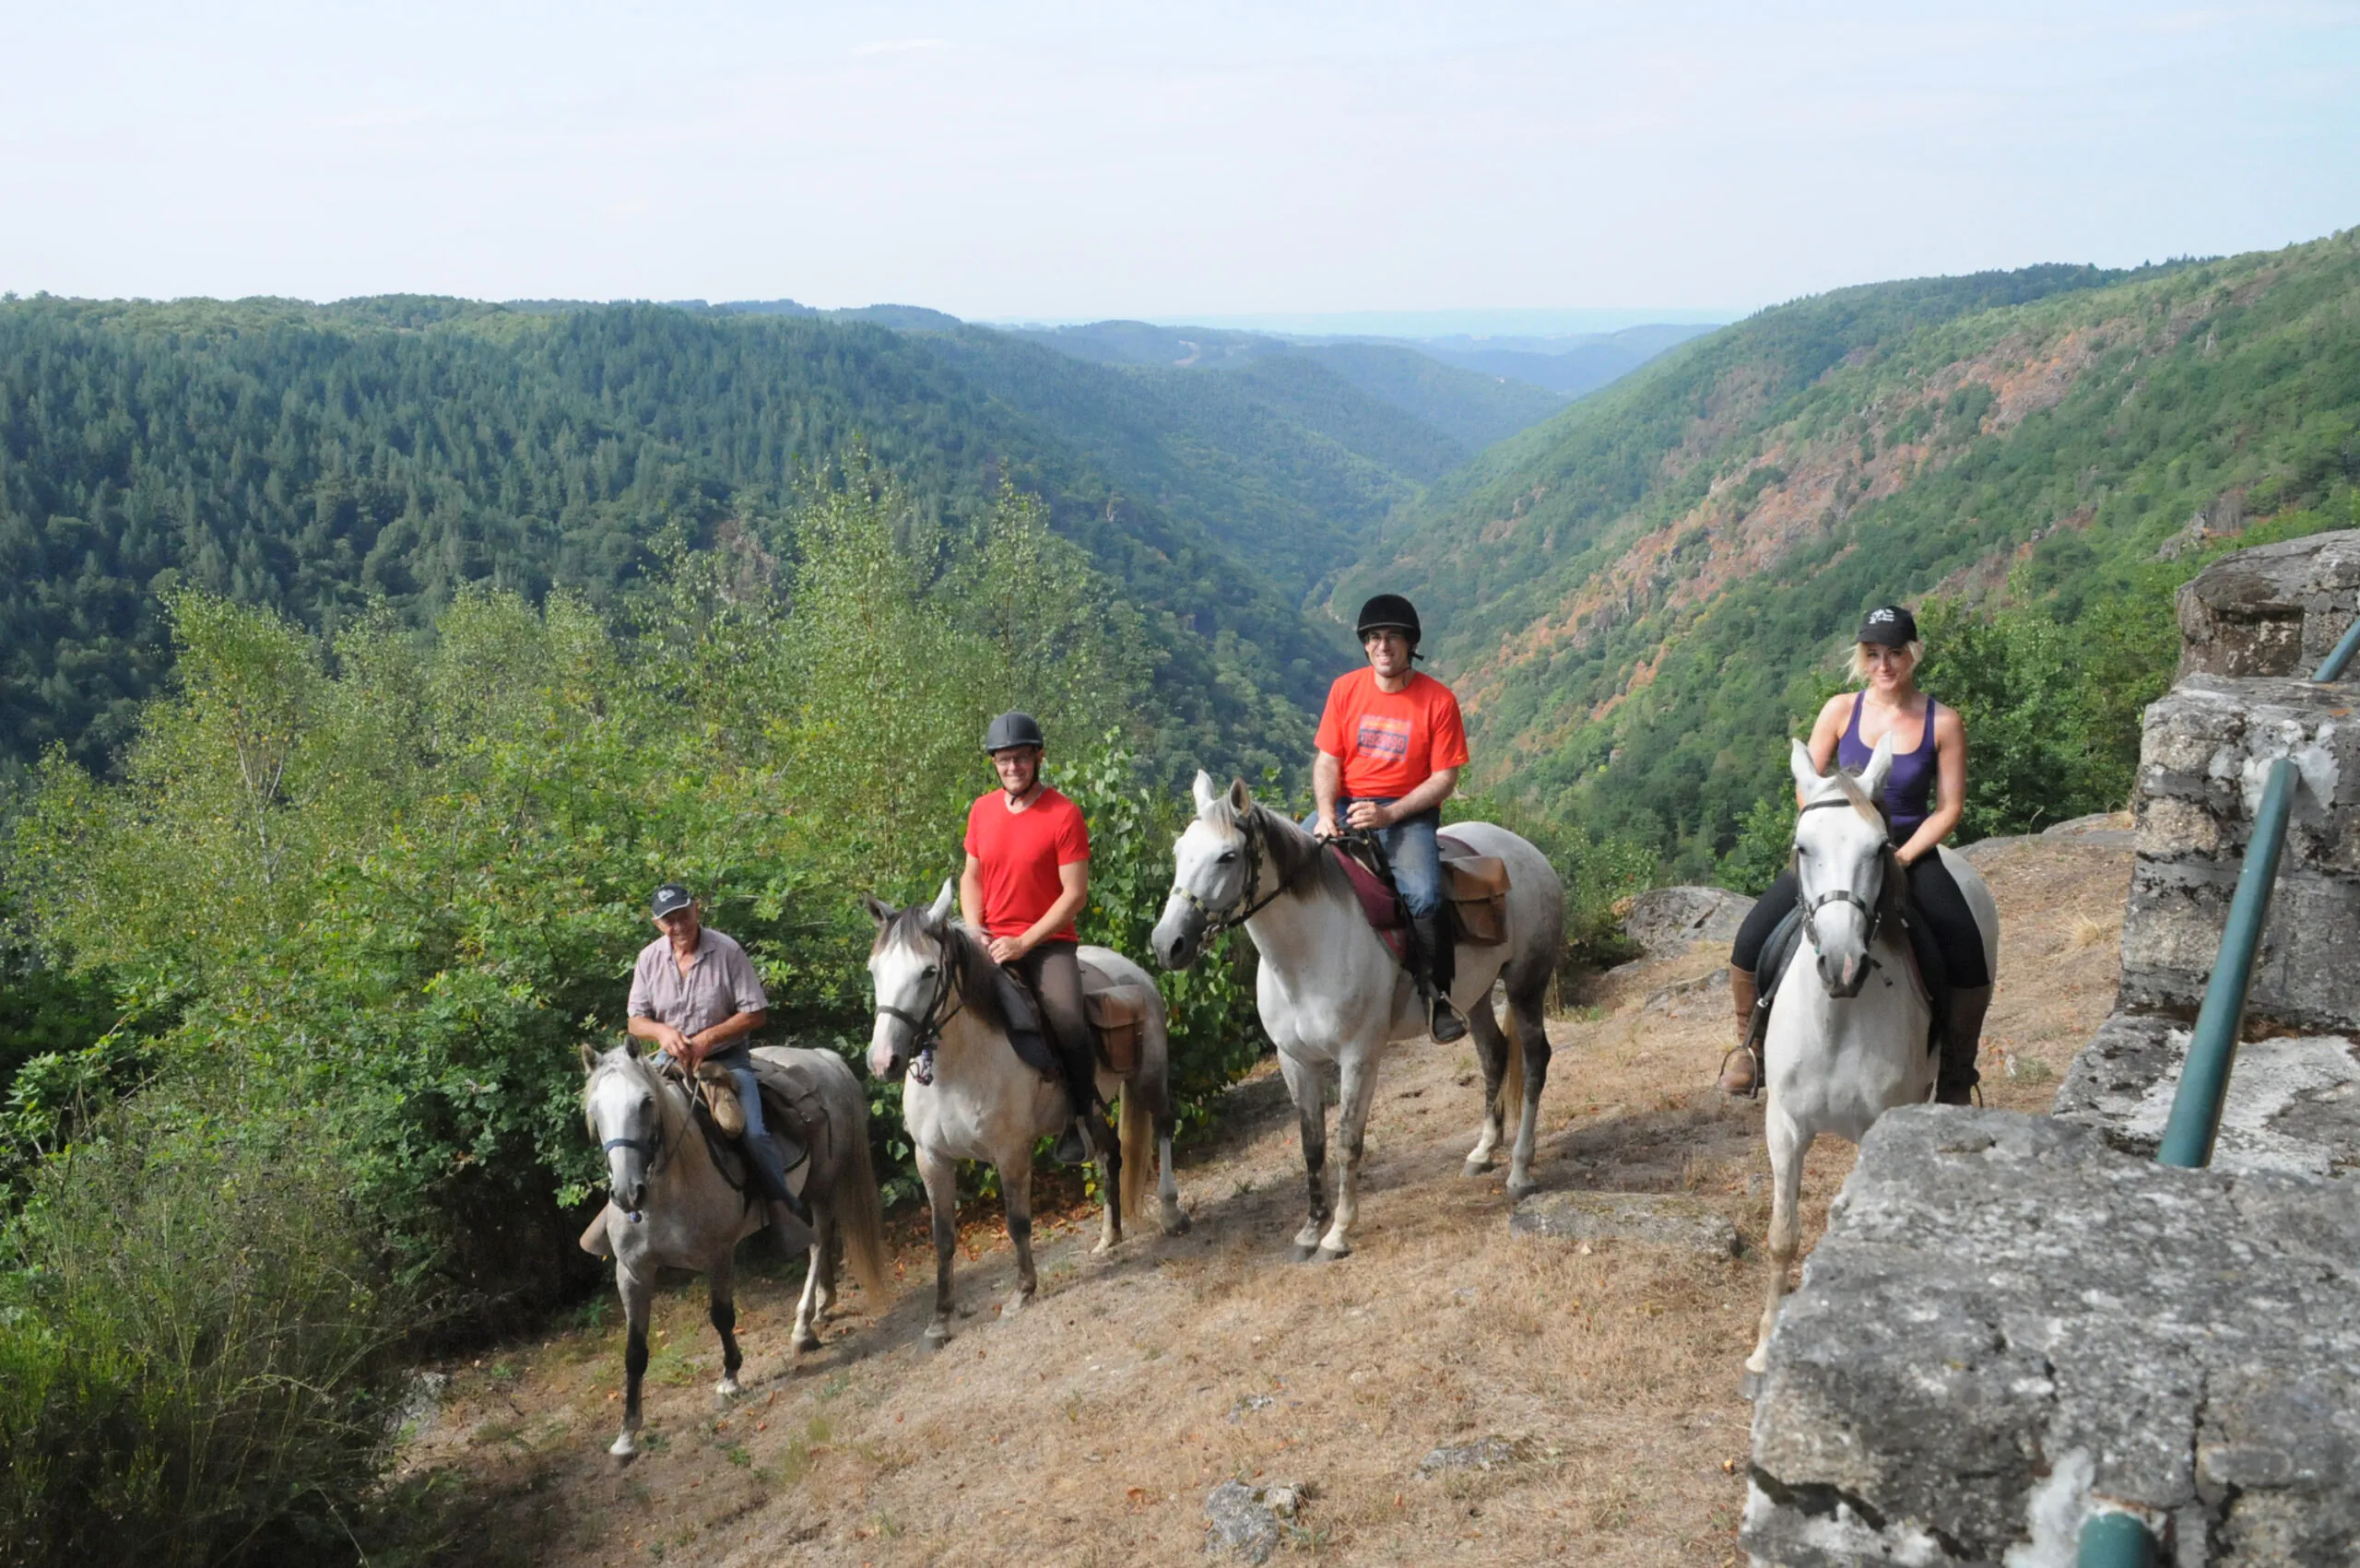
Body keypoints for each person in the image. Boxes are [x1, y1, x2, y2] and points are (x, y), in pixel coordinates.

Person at [1723, 605, 1993, 1102]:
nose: (1884, 664)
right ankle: (1749, 1047)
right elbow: (1810, 781)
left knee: (1966, 949)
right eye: (1873, 654)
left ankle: (1956, 1069)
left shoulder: (1943, 722)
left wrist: (1902, 856)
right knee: (1752, 936)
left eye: (1895, 652)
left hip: (1906, 850)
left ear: (1914, 653)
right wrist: (1826, 829)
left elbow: (1948, 809)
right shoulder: (1840, 710)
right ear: (1861, 658)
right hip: (1834, 853)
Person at [1311, 594, 1472, 1043]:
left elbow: (1444, 778)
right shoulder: (1345, 690)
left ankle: (1437, 997)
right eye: (1375, 638)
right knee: (1288, 866)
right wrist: (1326, 814)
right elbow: (1327, 761)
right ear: (1365, 645)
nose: (1384, 646)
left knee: (1422, 893)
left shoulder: (1438, 701)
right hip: (1346, 805)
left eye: (1393, 638)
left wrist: (1390, 814)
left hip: (1407, 811)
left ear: (1410, 645)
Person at [627, 883, 813, 1253]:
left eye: (683, 913)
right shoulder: (648, 959)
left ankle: (784, 1208)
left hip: (726, 1059)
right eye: (668, 919)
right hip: (669, 1062)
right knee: (630, 1121)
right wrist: (662, 1032)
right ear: (656, 923)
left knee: (753, 1133)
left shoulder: (726, 951)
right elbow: (635, 1020)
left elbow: (755, 1012)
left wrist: (708, 1039)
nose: (678, 924)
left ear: (696, 909)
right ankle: (626, 1213)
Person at [961, 711, 1102, 1164]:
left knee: (1066, 1018)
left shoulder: (1064, 814)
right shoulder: (982, 810)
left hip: (1046, 943)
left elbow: (1074, 895)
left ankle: (1081, 1119)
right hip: (988, 939)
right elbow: (971, 876)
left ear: (1038, 757)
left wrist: (1023, 942)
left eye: (1021, 758)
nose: (1012, 768)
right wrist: (973, 928)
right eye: (1004, 760)